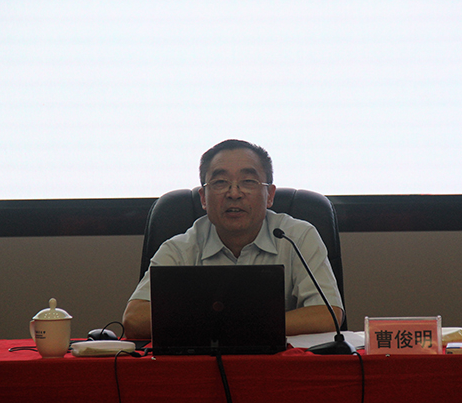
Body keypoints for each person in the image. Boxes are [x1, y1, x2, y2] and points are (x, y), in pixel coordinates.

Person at [123, 139, 343, 339]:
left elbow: (328, 314)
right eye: (220, 182)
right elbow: (134, 319)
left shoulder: (297, 237)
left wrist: (229, 323)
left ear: (270, 195)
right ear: (203, 198)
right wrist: (247, 324)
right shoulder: (180, 248)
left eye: (248, 181)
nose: (234, 193)